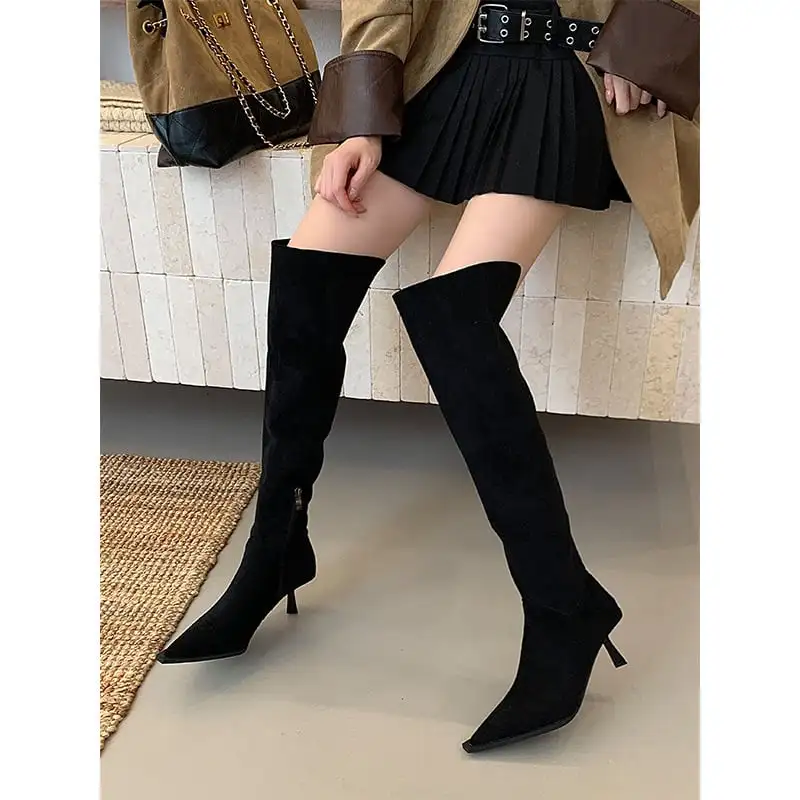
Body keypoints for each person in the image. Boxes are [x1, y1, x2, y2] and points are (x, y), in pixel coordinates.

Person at [157, 0, 700, 754]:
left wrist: (649, 38)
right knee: (309, 279)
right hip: (448, 67)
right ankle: (276, 545)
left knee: (454, 318)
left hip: (571, 74)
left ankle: (561, 603)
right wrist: (361, 121)